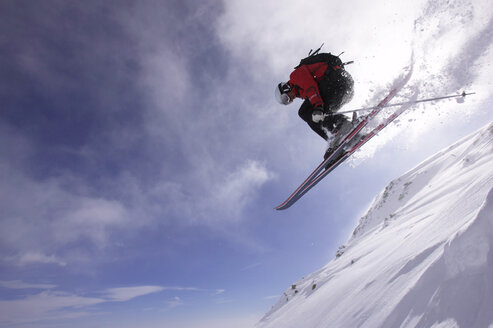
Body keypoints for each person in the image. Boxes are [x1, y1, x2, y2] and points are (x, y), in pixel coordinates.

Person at [275, 51, 355, 158]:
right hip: (346, 88)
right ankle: (344, 137)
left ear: (285, 88)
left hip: (336, 80)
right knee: (317, 116)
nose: (290, 100)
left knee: (304, 112)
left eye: (286, 98)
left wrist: (318, 106)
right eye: (287, 102)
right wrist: (319, 108)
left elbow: (310, 86)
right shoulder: (304, 93)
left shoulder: (295, 76)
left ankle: (339, 131)